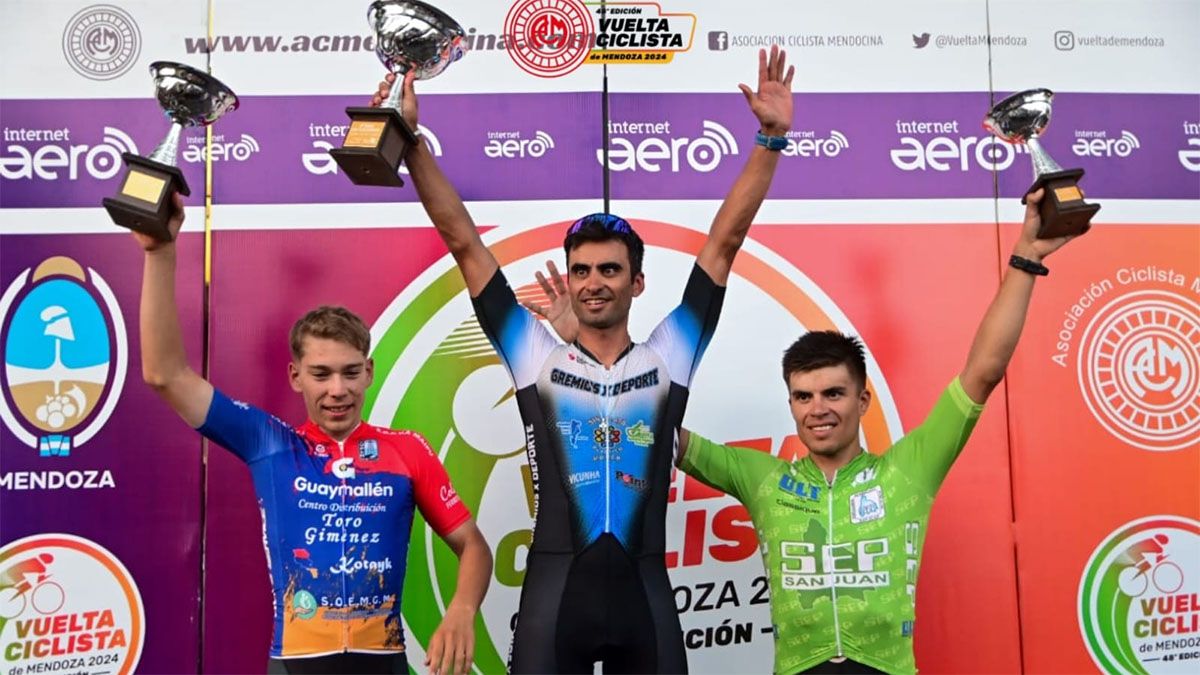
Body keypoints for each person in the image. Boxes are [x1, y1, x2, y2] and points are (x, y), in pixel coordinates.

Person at [536, 188, 1079, 673]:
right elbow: (641, 430)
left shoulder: (910, 469)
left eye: (834, 394)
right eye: (804, 396)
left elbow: (982, 372)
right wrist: (585, 357)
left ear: (863, 399)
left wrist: (1026, 259)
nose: (819, 409)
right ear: (791, 404)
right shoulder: (763, 478)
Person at [378, 45, 795, 673]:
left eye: (609, 269)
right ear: (567, 282)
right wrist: (410, 144)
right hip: (555, 597)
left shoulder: (669, 358)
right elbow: (463, 240)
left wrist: (768, 141)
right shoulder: (534, 356)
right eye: (581, 270)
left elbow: (724, 242)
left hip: (645, 599)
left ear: (637, 283)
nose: (593, 281)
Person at [134, 199, 492, 675]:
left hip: (382, 661)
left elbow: (473, 546)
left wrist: (463, 611)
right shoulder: (272, 443)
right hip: (295, 662)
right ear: (295, 376)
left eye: (349, 373)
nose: (337, 390)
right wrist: (160, 253)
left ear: (369, 372)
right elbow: (165, 374)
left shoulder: (407, 449)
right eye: (321, 374)